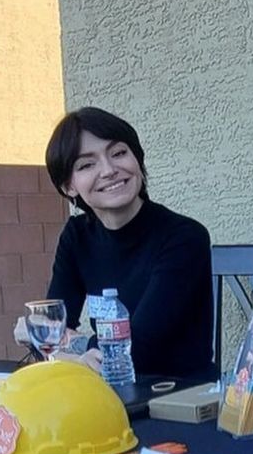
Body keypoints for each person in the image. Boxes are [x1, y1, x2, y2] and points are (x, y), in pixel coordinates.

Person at [34, 107, 215, 382]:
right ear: (68, 186)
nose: (109, 170)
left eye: (118, 153)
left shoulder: (184, 237)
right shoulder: (77, 235)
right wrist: (61, 346)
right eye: (87, 165)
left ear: (137, 160)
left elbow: (139, 348)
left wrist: (73, 346)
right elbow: (50, 328)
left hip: (178, 394)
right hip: (106, 387)